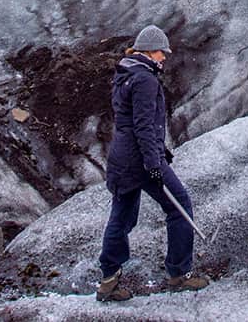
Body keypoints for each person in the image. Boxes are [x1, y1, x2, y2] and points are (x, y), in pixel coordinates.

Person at [96, 25, 210, 302]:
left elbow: (131, 122)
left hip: (121, 159)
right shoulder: (145, 80)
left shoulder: (124, 74)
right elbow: (144, 126)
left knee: (121, 218)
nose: (164, 57)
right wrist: (154, 162)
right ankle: (179, 274)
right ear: (148, 50)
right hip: (140, 160)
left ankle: (108, 281)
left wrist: (160, 151)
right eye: (161, 52)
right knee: (179, 205)